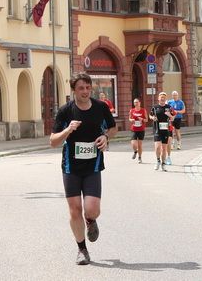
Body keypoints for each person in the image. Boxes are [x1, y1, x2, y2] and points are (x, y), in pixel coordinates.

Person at [50, 72, 118, 266]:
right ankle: (82, 249)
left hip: (93, 166)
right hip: (71, 167)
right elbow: (53, 141)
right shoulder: (65, 111)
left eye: (88, 87)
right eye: (81, 88)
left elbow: (113, 128)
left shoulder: (100, 108)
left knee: (92, 209)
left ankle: (91, 220)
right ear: (74, 90)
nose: (85, 91)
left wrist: (106, 137)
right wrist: (67, 130)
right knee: (74, 210)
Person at [149, 92, 175, 171]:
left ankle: (163, 163)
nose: (162, 99)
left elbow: (172, 118)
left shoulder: (169, 108)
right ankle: (158, 161)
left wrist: (169, 115)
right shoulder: (155, 107)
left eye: (164, 97)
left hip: (165, 130)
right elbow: (150, 115)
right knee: (157, 147)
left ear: (166, 99)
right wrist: (152, 118)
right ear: (158, 98)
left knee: (164, 148)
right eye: (161, 97)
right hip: (157, 129)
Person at [129, 98, 148, 163]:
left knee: (139, 145)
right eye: (135, 102)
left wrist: (142, 119)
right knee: (133, 144)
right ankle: (135, 151)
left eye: (137, 102)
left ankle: (139, 157)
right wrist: (131, 120)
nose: (136, 104)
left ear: (140, 103)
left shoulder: (143, 110)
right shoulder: (132, 110)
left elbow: (146, 120)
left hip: (141, 129)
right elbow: (129, 118)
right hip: (134, 129)